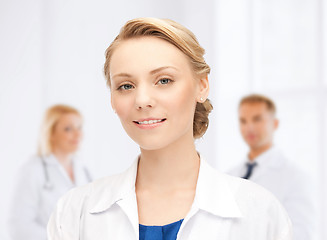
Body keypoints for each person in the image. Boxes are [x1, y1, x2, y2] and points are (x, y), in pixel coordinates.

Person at [47, 18, 292, 240]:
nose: (142, 100)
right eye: (125, 86)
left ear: (202, 86)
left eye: (164, 80)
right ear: (112, 99)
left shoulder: (260, 213)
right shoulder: (74, 213)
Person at [228, 94, 315, 240]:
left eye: (257, 119)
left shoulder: (295, 177)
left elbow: (301, 234)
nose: (249, 127)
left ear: (274, 124)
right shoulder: (229, 175)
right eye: (243, 121)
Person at [8, 104, 92, 240]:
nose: (78, 134)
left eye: (79, 127)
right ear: (51, 133)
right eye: (68, 129)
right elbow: (19, 226)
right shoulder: (32, 169)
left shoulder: (83, 170)